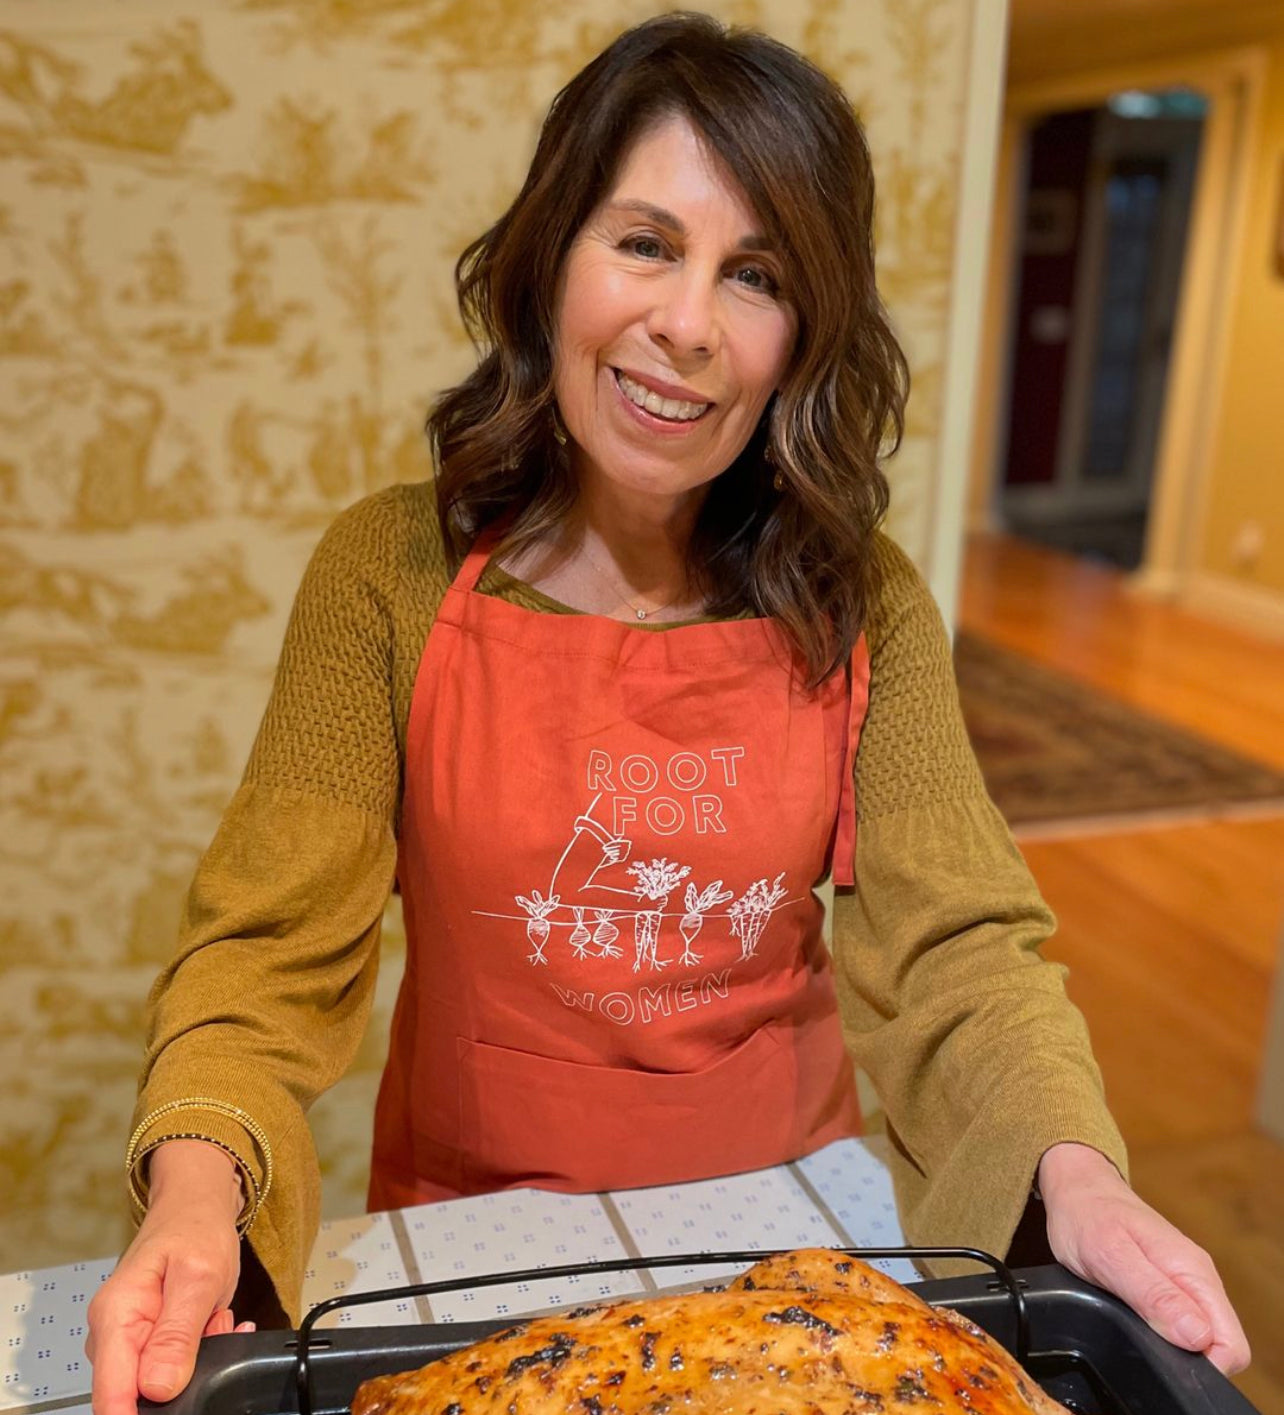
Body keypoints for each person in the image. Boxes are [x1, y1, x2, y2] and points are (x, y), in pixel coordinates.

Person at [86, 13, 1249, 1412]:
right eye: (645, 244)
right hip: (475, 1238)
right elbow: (267, 954)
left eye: (754, 275)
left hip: (791, 1248)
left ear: (801, 337)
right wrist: (196, 1192)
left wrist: (1077, 1176)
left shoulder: (863, 601)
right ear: (550, 260)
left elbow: (960, 953)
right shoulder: (388, 573)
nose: (688, 326)